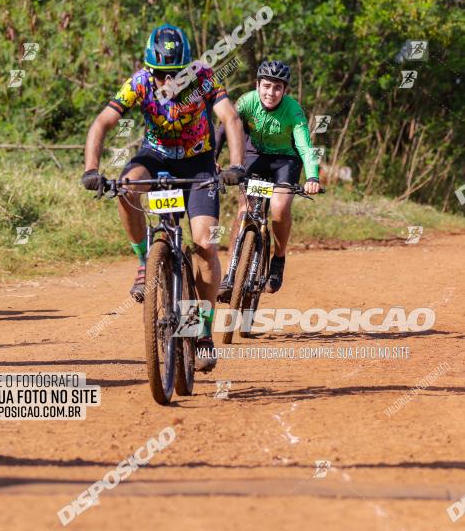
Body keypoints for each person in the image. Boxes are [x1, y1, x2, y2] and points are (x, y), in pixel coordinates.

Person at [82, 24, 246, 372]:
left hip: (198, 163)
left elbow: (230, 117)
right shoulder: (140, 83)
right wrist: (92, 169)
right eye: (160, 74)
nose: (166, 81)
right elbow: (101, 123)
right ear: (149, 69)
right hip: (155, 158)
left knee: (204, 246)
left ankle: (201, 331)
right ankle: (145, 260)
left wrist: (235, 165)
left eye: (174, 74)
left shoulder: (204, 78)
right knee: (127, 186)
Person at [216, 59, 320, 300]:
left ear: (285, 90)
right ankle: (230, 274)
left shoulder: (293, 110)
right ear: (257, 85)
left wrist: (312, 176)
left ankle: (278, 257)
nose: (270, 93)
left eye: (277, 88)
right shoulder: (247, 101)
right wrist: (212, 158)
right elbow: (223, 129)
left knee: (279, 208)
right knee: (244, 210)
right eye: (266, 86)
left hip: (285, 161)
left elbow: (304, 145)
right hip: (254, 156)